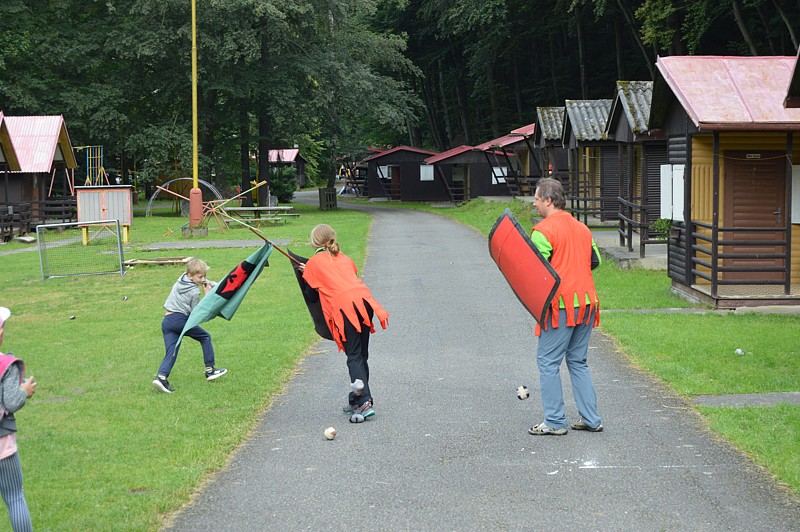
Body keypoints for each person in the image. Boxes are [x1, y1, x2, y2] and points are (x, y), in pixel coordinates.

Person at [527, 178, 603, 436]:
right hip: (587, 303)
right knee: (578, 361)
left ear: (548, 200)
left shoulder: (543, 231)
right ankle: (591, 419)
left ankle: (555, 422)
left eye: (536, 199)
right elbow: (596, 260)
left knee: (548, 362)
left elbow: (536, 272)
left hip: (561, 306)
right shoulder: (582, 228)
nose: (534, 203)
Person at [298, 224, 389, 422]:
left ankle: (364, 402)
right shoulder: (344, 257)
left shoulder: (313, 264)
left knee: (354, 355)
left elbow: (312, 296)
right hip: (365, 303)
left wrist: (307, 275)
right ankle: (357, 399)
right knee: (361, 354)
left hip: (346, 308)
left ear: (314, 242)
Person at [152, 259, 227, 393]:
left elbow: (203, 281)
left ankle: (161, 377)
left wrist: (211, 283)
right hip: (179, 319)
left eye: (204, 276)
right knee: (205, 337)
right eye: (200, 277)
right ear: (191, 275)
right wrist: (208, 296)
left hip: (167, 321)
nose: (203, 279)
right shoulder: (194, 292)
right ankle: (210, 370)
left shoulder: (181, 279)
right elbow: (196, 313)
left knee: (172, 351)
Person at [0, 307, 36, 532]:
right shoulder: (6, 365)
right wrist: (25, 390)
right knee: (15, 497)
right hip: (2, 445)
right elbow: (12, 402)